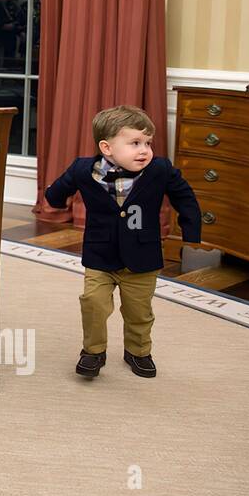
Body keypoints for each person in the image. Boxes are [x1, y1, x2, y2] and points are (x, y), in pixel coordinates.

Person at [43, 105, 203, 379]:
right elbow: (60, 189)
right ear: (107, 148)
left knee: (139, 311)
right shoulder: (84, 169)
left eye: (148, 143)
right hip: (100, 254)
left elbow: (185, 197)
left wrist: (191, 232)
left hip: (142, 257)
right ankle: (93, 352)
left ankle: (138, 351)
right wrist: (55, 199)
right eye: (135, 143)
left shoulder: (160, 170)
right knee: (93, 303)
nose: (144, 150)